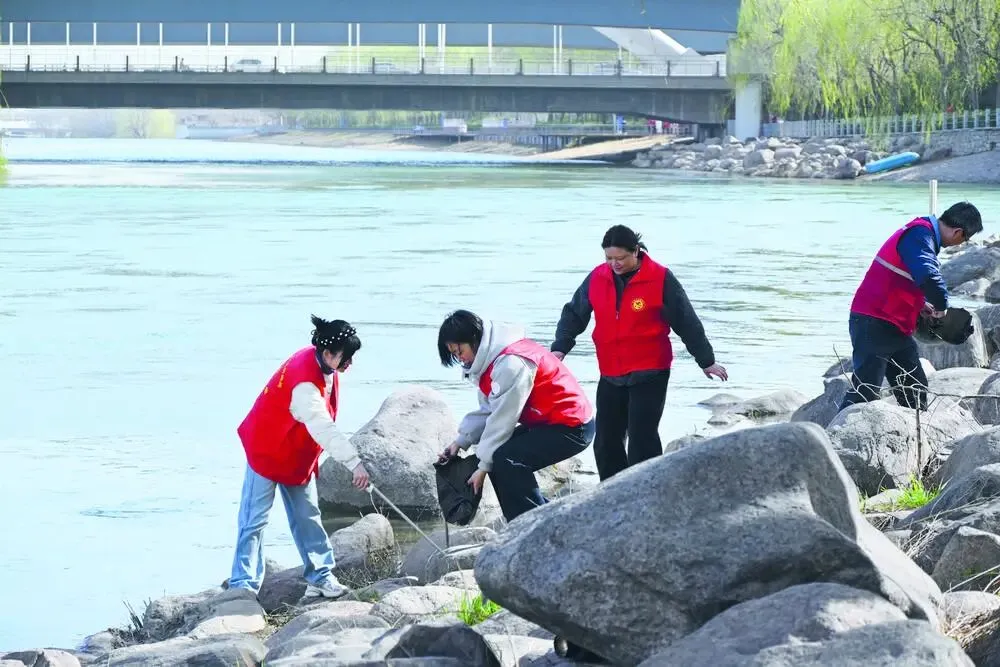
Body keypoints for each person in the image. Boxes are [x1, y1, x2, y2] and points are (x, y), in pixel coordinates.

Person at [551, 224, 728, 482]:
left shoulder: (660, 278)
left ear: (636, 251)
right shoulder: (597, 277)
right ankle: (612, 493)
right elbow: (574, 314)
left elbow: (686, 321)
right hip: (611, 372)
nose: (614, 264)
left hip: (650, 372)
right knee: (605, 442)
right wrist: (560, 347)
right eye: (609, 258)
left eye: (620, 258)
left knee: (641, 441)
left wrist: (706, 360)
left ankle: (648, 490)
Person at [228, 315, 370, 599]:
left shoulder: (322, 364)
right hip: (266, 450)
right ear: (327, 353)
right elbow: (323, 427)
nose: (349, 364)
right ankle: (243, 585)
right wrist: (355, 463)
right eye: (346, 358)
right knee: (254, 520)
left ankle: (320, 576)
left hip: (296, 455)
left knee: (308, 517)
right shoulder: (304, 384)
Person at [436, 310, 595, 522]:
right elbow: (489, 409)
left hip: (572, 425)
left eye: (459, 351)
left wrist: (483, 467)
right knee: (498, 457)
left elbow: (503, 419)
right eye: (455, 356)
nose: (460, 358)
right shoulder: (491, 361)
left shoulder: (510, 364)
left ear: (474, 339)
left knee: (507, 460)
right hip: (547, 422)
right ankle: (533, 521)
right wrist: (460, 442)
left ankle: (532, 525)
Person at [839, 202, 983, 411]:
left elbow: (902, 276)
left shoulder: (922, 235)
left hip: (894, 325)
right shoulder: (919, 234)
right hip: (874, 321)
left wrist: (920, 304)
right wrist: (941, 306)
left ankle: (916, 429)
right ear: (958, 232)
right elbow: (928, 276)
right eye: (965, 239)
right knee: (866, 391)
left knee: (914, 389)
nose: (961, 243)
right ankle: (836, 431)